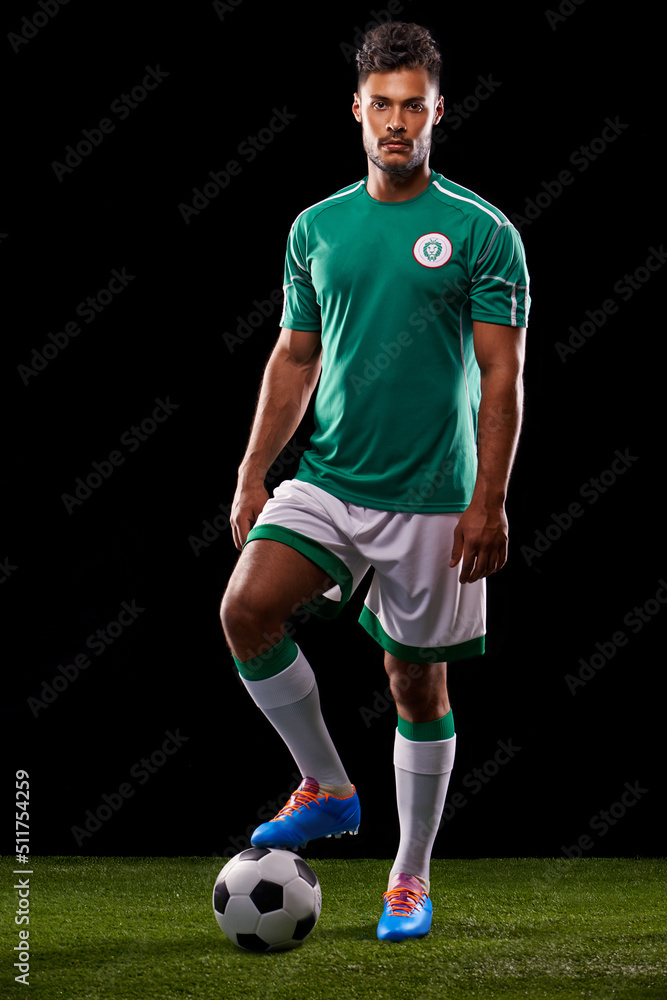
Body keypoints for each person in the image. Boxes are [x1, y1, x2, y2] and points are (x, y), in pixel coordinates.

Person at [220, 20, 530, 942]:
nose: (397, 122)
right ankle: (328, 785)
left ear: (438, 112)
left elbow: (504, 376)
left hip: (436, 497)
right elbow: (293, 355)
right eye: (381, 105)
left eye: (414, 107)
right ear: (357, 112)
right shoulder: (315, 227)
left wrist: (490, 501)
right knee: (246, 609)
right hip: (329, 479)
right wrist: (251, 472)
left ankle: (407, 880)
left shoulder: (481, 232)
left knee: (415, 686)